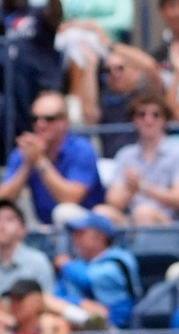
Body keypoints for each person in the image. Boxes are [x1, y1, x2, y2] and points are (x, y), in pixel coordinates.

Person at [0, 92, 105, 225]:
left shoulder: (82, 150)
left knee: (64, 212)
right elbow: (4, 200)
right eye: (35, 118)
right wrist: (27, 164)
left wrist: (40, 161)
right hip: (42, 226)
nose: (41, 124)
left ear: (64, 121)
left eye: (49, 119)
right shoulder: (26, 151)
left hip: (87, 226)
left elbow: (70, 199)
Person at [97, 93, 179, 226]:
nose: (149, 120)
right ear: (134, 120)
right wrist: (130, 191)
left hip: (169, 224)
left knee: (143, 213)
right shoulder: (125, 154)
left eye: (155, 115)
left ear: (164, 120)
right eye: (142, 115)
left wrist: (143, 187)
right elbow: (113, 201)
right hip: (131, 220)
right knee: (101, 212)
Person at [1, 0, 62, 131]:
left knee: (19, 62)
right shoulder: (2, 17)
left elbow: (56, 17)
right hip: (6, 89)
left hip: (39, 85)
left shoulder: (39, 13)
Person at [55, 213, 141, 329]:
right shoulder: (79, 263)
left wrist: (66, 264)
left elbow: (88, 279)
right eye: (74, 234)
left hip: (116, 326)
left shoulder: (121, 258)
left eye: (81, 234)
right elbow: (57, 295)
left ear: (101, 237)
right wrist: (80, 303)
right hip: (80, 322)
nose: (75, 239)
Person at [86, 45, 163, 158]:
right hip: (111, 163)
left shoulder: (147, 95)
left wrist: (109, 45)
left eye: (120, 68)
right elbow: (89, 114)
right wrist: (91, 66)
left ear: (137, 71)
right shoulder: (104, 97)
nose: (113, 74)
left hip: (145, 161)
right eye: (108, 70)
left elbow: (151, 67)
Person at [0, 199, 55, 296]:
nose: (1, 225)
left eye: (9, 219)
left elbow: (48, 301)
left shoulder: (38, 261)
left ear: (23, 229)